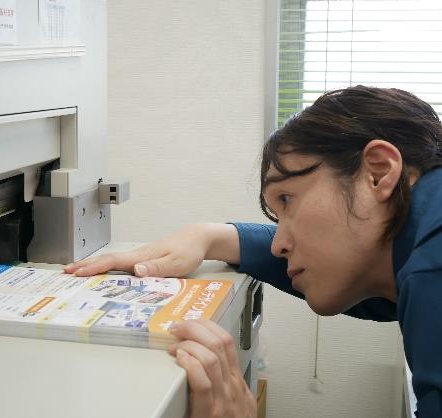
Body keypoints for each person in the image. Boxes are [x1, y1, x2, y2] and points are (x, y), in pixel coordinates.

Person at [65, 85, 442, 418]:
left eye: (288, 199)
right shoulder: (414, 247)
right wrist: (209, 237)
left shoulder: (431, 274)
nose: (278, 244)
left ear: (378, 172)